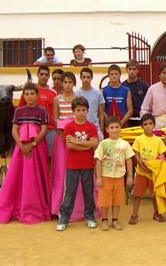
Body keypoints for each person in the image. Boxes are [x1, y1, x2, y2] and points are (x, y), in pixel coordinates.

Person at [0, 83, 51, 224]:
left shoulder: (42, 110)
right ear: (23, 96)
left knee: (37, 175)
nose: (30, 96)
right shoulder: (19, 111)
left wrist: (32, 144)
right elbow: (14, 130)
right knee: (18, 175)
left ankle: (36, 205)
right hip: (22, 148)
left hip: (36, 147)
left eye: (32, 94)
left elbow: (44, 130)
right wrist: (21, 145)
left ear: (37, 95)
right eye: (27, 94)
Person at [56, 96, 99, 231]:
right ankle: (64, 218)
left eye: (83, 110)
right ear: (73, 111)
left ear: (87, 110)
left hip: (88, 164)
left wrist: (77, 141)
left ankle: (89, 217)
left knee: (88, 191)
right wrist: (85, 145)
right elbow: (70, 146)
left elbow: (95, 143)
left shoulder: (91, 126)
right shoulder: (69, 126)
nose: (81, 113)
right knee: (70, 191)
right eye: (78, 110)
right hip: (72, 165)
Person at [51, 71, 83, 219]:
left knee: (78, 168)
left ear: (74, 83)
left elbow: (81, 117)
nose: (68, 85)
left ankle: (79, 207)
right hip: (62, 139)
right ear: (61, 84)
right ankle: (59, 207)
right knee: (61, 171)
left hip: (76, 137)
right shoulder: (57, 99)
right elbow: (56, 119)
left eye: (70, 82)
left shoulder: (78, 98)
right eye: (65, 82)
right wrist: (62, 133)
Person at [95, 116, 134, 231]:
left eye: (117, 127)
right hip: (106, 177)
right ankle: (104, 220)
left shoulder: (125, 144)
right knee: (105, 200)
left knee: (117, 200)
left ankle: (115, 220)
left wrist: (130, 176)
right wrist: (98, 177)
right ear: (107, 129)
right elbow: (98, 160)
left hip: (119, 177)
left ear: (121, 128)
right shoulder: (103, 144)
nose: (115, 130)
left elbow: (129, 160)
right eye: (111, 127)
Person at [129, 114, 166, 224]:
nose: (148, 126)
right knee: (137, 194)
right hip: (141, 172)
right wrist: (141, 165)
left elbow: (162, 156)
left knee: (155, 194)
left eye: (150, 124)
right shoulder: (139, 139)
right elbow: (136, 154)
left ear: (154, 125)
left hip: (154, 173)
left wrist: (157, 168)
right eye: (145, 124)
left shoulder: (158, 141)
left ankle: (156, 213)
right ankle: (134, 214)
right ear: (142, 126)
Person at [18, 65, 57, 157]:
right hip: (32, 130)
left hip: (50, 129)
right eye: (42, 74)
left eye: (46, 75)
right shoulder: (29, 90)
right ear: (37, 75)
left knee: (50, 156)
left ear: (49, 76)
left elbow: (55, 112)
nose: (44, 76)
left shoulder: (53, 92)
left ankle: (47, 172)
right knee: (34, 156)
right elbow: (21, 108)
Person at [76, 67, 105, 140]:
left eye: (88, 77)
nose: (86, 79)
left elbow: (101, 113)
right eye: (84, 77)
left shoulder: (98, 94)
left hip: (95, 128)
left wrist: (101, 130)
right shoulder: (76, 94)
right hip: (80, 129)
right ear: (80, 78)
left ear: (91, 78)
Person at [121, 59, 149, 127]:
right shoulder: (122, 86)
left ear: (138, 70)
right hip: (126, 120)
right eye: (130, 69)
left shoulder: (144, 86)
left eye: (134, 69)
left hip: (140, 119)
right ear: (126, 70)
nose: (132, 71)